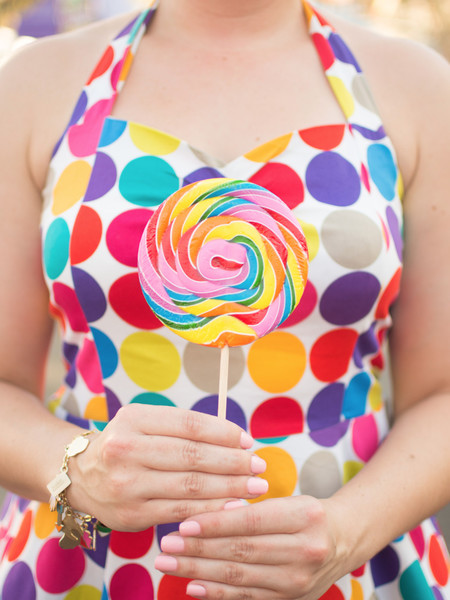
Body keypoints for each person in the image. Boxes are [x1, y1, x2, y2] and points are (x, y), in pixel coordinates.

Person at [0, 0, 449, 598]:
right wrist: (74, 466)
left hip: (352, 564)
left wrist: (342, 536)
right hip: (91, 567)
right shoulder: (36, 83)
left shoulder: (417, 86)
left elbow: (442, 393)